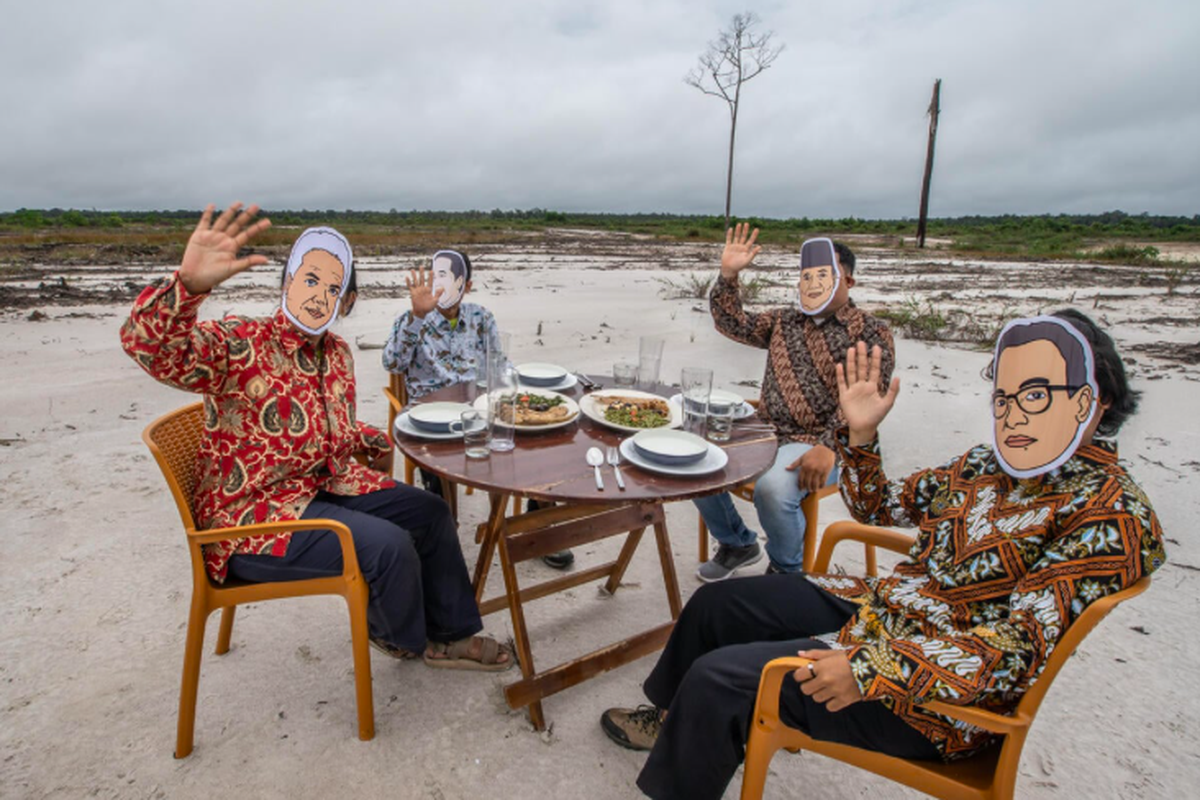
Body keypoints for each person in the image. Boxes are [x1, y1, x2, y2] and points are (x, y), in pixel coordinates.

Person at [601, 309, 1166, 800]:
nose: (1015, 415)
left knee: (720, 679)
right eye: (1005, 396)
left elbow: (1017, 652)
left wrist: (872, 668)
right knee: (718, 606)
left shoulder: (1111, 514)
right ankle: (673, 721)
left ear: (1099, 398)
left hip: (925, 694)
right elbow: (880, 508)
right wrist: (862, 437)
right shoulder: (986, 467)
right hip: (884, 608)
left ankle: (689, 750)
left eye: (1037, 395)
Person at [121, 203, 511, 670]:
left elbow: (326, 431)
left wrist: (372, 440)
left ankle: (450, 632)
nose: (319, 296)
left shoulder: (337, 353)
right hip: (254, 517)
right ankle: (402, 637)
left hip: (323, 487)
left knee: (429, 511)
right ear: (287, 283)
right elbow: (152, 348)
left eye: (333, 288)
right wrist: (187, 286)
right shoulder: (241, 342)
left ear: (346, 302)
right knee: (388, 546)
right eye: (310, 280)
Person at [694, 224, 895, 580]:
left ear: (848, 282)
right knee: (693, 459)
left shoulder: (870, 331)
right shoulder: (784, 320)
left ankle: (787, 572)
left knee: (772, 489)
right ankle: (738, 543)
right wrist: (728, 275)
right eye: (807, 275)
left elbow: (865, 403)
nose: (814, 283)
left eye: (825, 274)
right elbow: (731, 323)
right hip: (765, 429)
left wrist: (830, 444)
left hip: (822, 442)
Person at [382, 248, 574, 570]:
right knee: (437, 456)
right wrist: (416, 318)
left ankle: (538, 521)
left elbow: (498, 362)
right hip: (433, 413)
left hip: (480, 407)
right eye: (437, 276)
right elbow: (392, 362)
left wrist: (514, 389)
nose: (441, 286)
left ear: (466, 285)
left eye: (450, 278)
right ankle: (442, 530)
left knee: (530, 438)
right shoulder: (413, 319)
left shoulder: (480, 318)